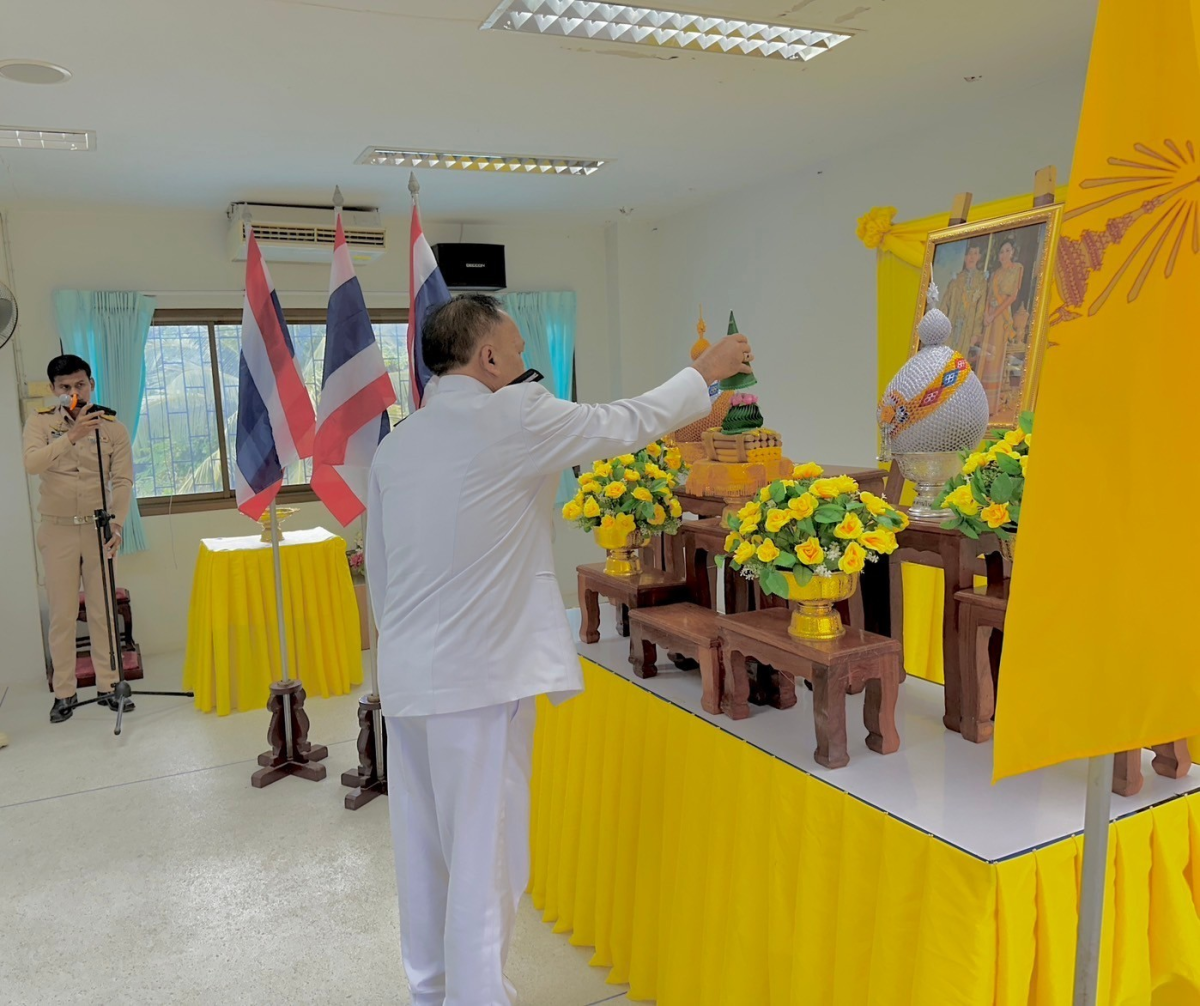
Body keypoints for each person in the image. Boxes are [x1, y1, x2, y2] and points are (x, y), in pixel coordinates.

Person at [366, 294, 752, 1006]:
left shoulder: (397, 443)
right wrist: (704, 372)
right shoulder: (514, 411)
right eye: (515, 351)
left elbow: (383, 577)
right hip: (477, 681)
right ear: (487, 359)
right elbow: (624, 422)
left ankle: (430, 992)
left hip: (409, 679)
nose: (522, 364)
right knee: (485, 858)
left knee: (422, 851)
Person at [23, 354, 134, 724]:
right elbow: (32, 463)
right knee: (63, 615)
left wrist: (116, 526)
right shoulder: (40, 424)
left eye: (80, 384)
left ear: (92, 384)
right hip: (57, 530)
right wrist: (72, 436)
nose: (74, 392)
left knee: (104, 611)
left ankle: (109, 685)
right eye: (65, 387)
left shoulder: (112, 428)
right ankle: (64, 693)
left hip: (98, 528)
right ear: (55, 391)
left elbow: (122, 481)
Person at [979, 239, 1025, 415]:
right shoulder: (995, 273)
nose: (1004, 254)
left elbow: (1012, 297)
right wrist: (985, 315)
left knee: (995, 358)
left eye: (1007, 251)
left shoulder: (1016, 269)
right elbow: (988, 295)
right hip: (990, 319)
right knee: (985, 356)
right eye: (1001, 252)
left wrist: (993, 314)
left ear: (1012, 252)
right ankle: (980, 404)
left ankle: (991, 405)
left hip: (1001, 317)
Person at [943, 242, 987, 360]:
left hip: (969, 327)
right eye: (969, 254)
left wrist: (976, 334)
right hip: (953, 324)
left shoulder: (981, 281)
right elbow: (945, 304)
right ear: (965, 257)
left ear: (979, 257)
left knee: (960, 361)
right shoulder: (956, 279)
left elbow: (980, 309)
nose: (972, 257)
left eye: (975, 253)